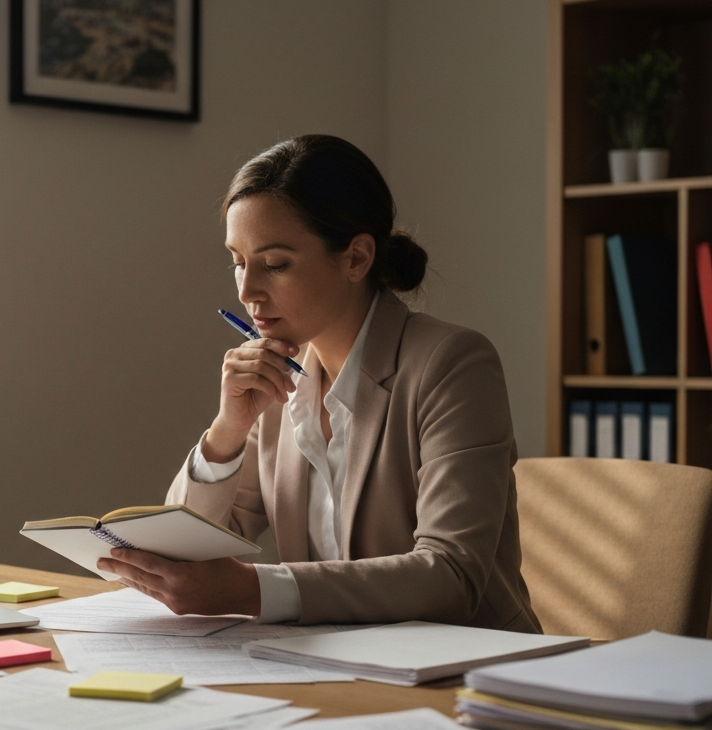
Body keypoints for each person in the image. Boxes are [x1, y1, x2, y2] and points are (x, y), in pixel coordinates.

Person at [98, 135, 540, 632]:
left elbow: (452, 575)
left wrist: (252, 589)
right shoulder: (274, 380)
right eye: (238, 262)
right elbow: (180, 549)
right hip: (328, 663)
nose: (246, 291)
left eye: (275, 264)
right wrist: (227, 430)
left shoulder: (451, 364)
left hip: (464, 669)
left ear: (355, 258)